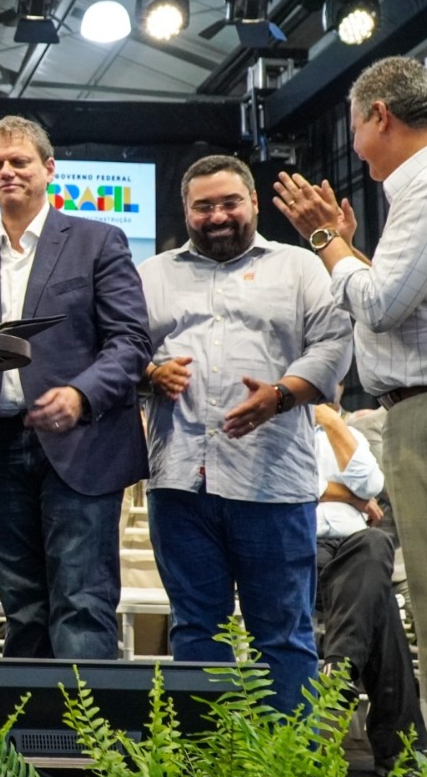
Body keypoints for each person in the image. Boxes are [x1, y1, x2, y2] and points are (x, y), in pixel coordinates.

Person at [274, 56, 427, 760]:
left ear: (381, 115)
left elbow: (378, 303)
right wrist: (348, 249)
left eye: (354, 127)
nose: (353, 146)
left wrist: (326, 241)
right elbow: (400, 302)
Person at [141, 155, 353, 716]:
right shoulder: (153, 275)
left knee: (283, 637)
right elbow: (122, 350)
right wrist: (148, 375)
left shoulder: (301, 268)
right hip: (180, 481)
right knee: (194, 632)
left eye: (229, 202)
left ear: (254, 203)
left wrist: (281, 394)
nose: (217, 215)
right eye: (203, 205)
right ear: (186, 211)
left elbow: (335, 345)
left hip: (273, 482)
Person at [0, 115, 152, 660]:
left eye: (20, 161)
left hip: (82, 447)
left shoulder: (98, 240)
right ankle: (31, 742)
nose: (7, 171)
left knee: (82, 604)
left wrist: (81, 395)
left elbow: (130, 342)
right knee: (24, 613)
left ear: (49, 169)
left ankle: (87, 746)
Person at [312, 399, 427, 773]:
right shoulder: (276, 425)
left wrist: (333, 424)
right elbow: (291, 483)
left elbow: (372, 483)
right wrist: (348, 496)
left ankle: (340, 670)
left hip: (354, 550)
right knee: (381, 611)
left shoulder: (343, 430)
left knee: (376, 544)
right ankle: (402, 752)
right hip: (300, 547)